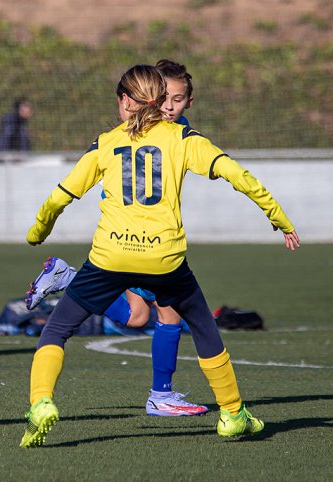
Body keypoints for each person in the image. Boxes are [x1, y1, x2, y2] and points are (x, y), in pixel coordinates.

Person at [19, 64, 300, 448]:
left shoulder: (105, 142)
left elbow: (60, 196)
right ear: (162, 100)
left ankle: (41, 404)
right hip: (164, 260)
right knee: (203, 327)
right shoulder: (183, 137)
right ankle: (233, 413)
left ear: (124, 100)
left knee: (57, 329)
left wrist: (39, 232)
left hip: (110, 257)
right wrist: (278, 217)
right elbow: (237, 174)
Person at [24, 59, 208, 417]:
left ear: (190, 101)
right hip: (136, 243)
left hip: (142, 243)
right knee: (168, 314)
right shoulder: (131, 132)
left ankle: (68, 277)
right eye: (163, 98)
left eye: (178, 99)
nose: (169, 106)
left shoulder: (179, 132)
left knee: (138, 316)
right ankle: (161, 394)